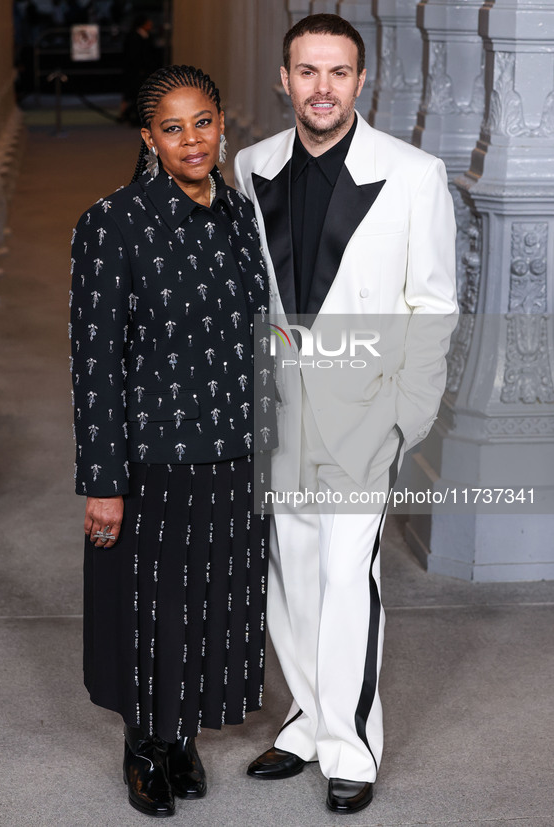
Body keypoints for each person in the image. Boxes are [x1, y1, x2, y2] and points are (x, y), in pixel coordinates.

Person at [234, 13, 458, 815]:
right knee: (289, 576)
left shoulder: (413, 172)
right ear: (283, 79)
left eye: (337, 72)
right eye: (306, 71)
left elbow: (431, 304)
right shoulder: (251, 163)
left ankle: (351, 744)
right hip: (279, 410)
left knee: (343, 575)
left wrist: (406, 417)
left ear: (361, 82)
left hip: (365, 412)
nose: (320, 87)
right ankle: (303, 720)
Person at [70, 65, 272, 818]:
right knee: (149, 607)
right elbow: (94, 361)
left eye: (204, 123)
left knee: (214, 601)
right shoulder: (112, 222)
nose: (192, 140)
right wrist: (103, 478)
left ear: (223, 125)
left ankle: (181, 731)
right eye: (173, 127)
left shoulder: (239, 214)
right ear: (149, 138)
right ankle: (144, 745)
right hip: (152, 455)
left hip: (235, 446)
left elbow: (263, 336)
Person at [119, 14, 157, 126]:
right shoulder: (134, 37)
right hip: (136, 72)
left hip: (143, 71)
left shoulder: (147, 36)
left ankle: (134, 116)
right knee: (135, 94)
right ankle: (132, 116)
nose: (151, 25)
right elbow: (133, 56)